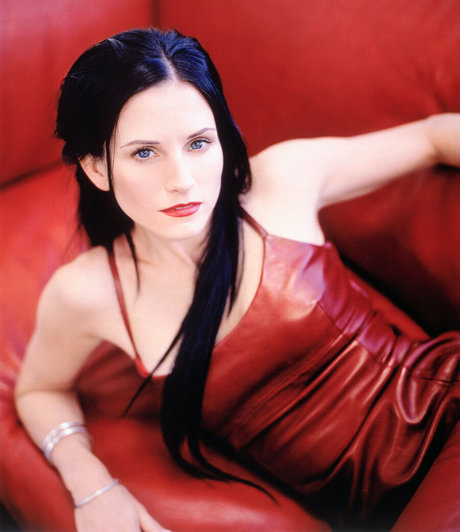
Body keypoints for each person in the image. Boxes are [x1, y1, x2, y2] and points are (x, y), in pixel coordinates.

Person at [14, 27, 460, 532]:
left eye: (199, 143)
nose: (182, 180)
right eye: (144, 153)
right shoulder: (86, 291)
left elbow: (432, 138)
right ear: (97, 168)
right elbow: (38, 391)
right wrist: (92, 485)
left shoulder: (280, 182)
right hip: (376, 512)